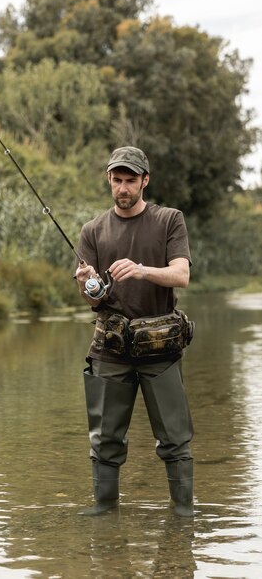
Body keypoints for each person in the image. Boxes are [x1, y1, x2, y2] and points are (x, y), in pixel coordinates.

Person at [74, 146, 194, 517]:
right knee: (105, 441)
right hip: (110, 351)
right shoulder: (92, 230)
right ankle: (104, 515)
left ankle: (184, 517)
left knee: (174, 440)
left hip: (160, 349)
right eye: (117, 180)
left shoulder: (169, 220)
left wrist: (141, 269)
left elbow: (182, 275)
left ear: (145, 180)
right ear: (109, 180)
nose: (123, 188)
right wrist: (88, 283)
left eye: (130, 180)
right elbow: (93, 300)